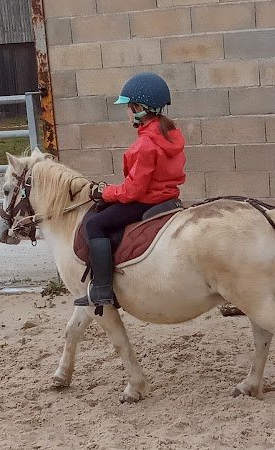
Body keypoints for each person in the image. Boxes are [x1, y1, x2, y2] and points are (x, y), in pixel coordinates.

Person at [76, 72, 186, 314]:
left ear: (138, 108)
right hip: (167, 197)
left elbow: (133, 190)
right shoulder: (171, 133)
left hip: (145, 202)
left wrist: (105, 193)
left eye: (128, 107)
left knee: (95, 224)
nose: (126, 112)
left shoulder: (146, 144)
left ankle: (102, 289)